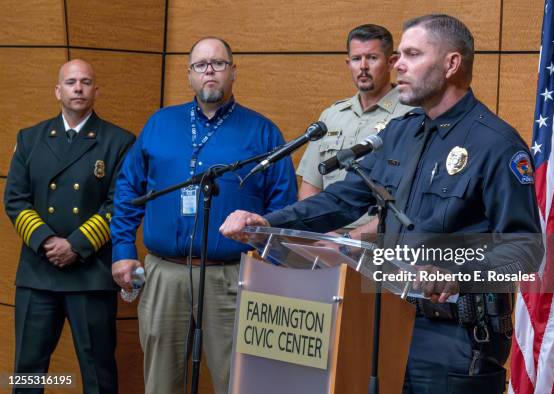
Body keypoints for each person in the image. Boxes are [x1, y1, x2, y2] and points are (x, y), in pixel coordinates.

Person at [220, 14, 543, 394]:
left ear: (452, 64)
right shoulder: (401, 132)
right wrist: (268, 223)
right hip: (384, 323)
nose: (398, 64)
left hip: (454, 339)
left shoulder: (495, 144)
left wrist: (456, 274)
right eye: (399, 54)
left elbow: (525, 250)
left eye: (412, 54)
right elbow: (343, 198)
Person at [110, 37, 297, 394]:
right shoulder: (159, 124)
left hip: (232, 278)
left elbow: (284, 208)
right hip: (164, 274)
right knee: (162, 383)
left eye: (218, 63)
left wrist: (270, 274)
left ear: (233, 71)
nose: (209, 70)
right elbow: (127, 191)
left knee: (238, 381)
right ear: (189, 75)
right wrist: (123, 251)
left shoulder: (263, 131)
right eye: (200, 64)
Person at [4, 59, 135, 393]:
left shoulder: (118, 142)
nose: (79, 88)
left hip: (90, 275)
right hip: (38, 273)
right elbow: (15, 199)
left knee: (98, 375)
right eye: (72, 82)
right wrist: (48, 241)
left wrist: (75, 245)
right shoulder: (30, 138)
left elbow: (119, 204)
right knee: (27, 373)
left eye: (86, 82)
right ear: (57, 90)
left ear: (96, 91)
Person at [297, 24, 414, 238]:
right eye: (356, 59)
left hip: (382, 240)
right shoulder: (331, 116)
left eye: (371, 58)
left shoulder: (411, 116)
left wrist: (350, 240)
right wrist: (326, 235)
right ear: (347, 62)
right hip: (328, 239)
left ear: (391, 62)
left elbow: (411, 199)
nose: (363, 66)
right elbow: (310, 187)